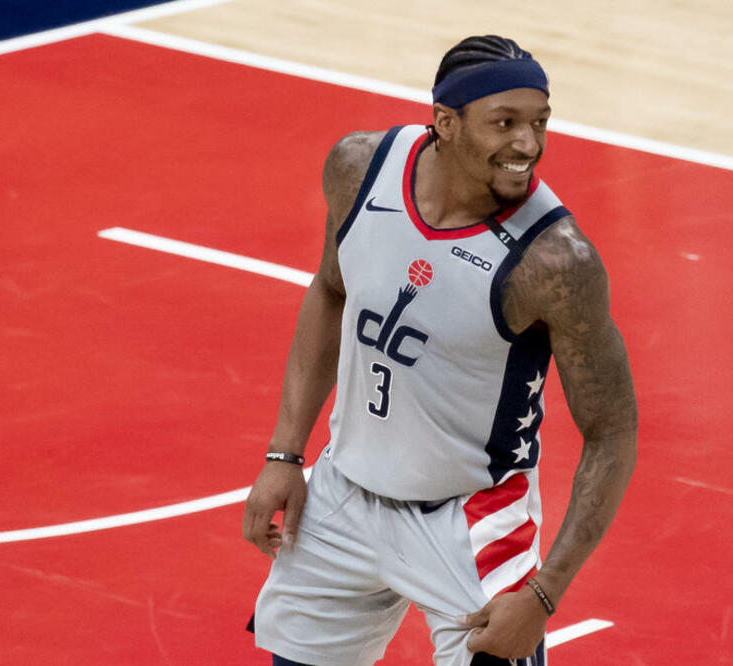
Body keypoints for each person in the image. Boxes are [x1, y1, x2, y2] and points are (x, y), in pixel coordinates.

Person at [243, 35, 638, 666]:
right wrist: (284, 454)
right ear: (446, 122)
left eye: (539, 122)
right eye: (504, 123)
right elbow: (330, 289)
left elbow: (612, 432)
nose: (528, 145)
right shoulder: (359, 168)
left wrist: (543, 594)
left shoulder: (555, 261)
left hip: (472, 521)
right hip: (344, 491)